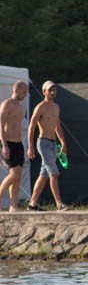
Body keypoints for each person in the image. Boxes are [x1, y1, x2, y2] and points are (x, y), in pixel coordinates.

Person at [25, 81, 69, 211]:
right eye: (50, 90)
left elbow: (58, 127)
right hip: (43, 143)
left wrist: (63, 143)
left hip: (53, 144)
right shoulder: (40, 107)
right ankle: (59, 203)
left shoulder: (56, 107)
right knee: (54, 174)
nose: (52, 92)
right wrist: (30, 146)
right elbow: (31, 127)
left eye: (54, 90)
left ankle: (32, 204)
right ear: (44, 92)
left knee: (43, 175)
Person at [0, 81, 28, 211]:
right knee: (15, 173)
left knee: (18, 176)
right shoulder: (6, 104)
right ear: (16, 90)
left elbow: (19, 127)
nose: (25, 94)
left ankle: (13, 205)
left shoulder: (22, 108)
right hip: (8, 143)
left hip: (18, 144)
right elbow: (1, 125)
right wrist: (4, 145)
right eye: (23, 92)